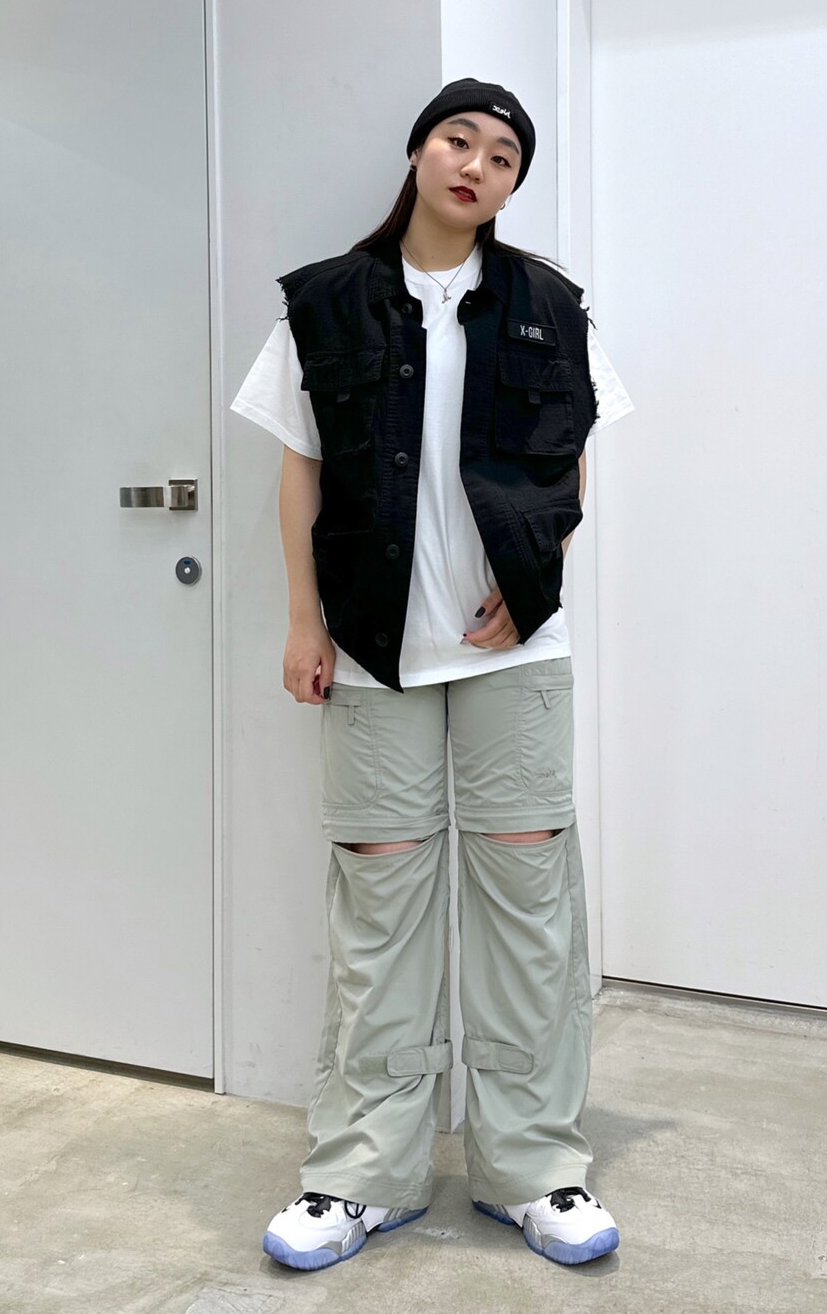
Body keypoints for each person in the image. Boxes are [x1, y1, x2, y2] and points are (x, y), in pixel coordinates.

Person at [230, 78, 633, 1271]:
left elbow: (568, 463)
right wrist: (303, 622)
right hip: (371, 649)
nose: (476, 165)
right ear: (418, 149)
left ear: (511, 185)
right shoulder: (325, 303)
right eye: (459, 139)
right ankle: (362, 1172)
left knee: (528, 913)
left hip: (517, 654)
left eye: (503, 155)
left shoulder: (551, 306)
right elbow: (300, 470)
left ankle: (533, 1166)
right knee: (379, 915)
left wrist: (536, 573)